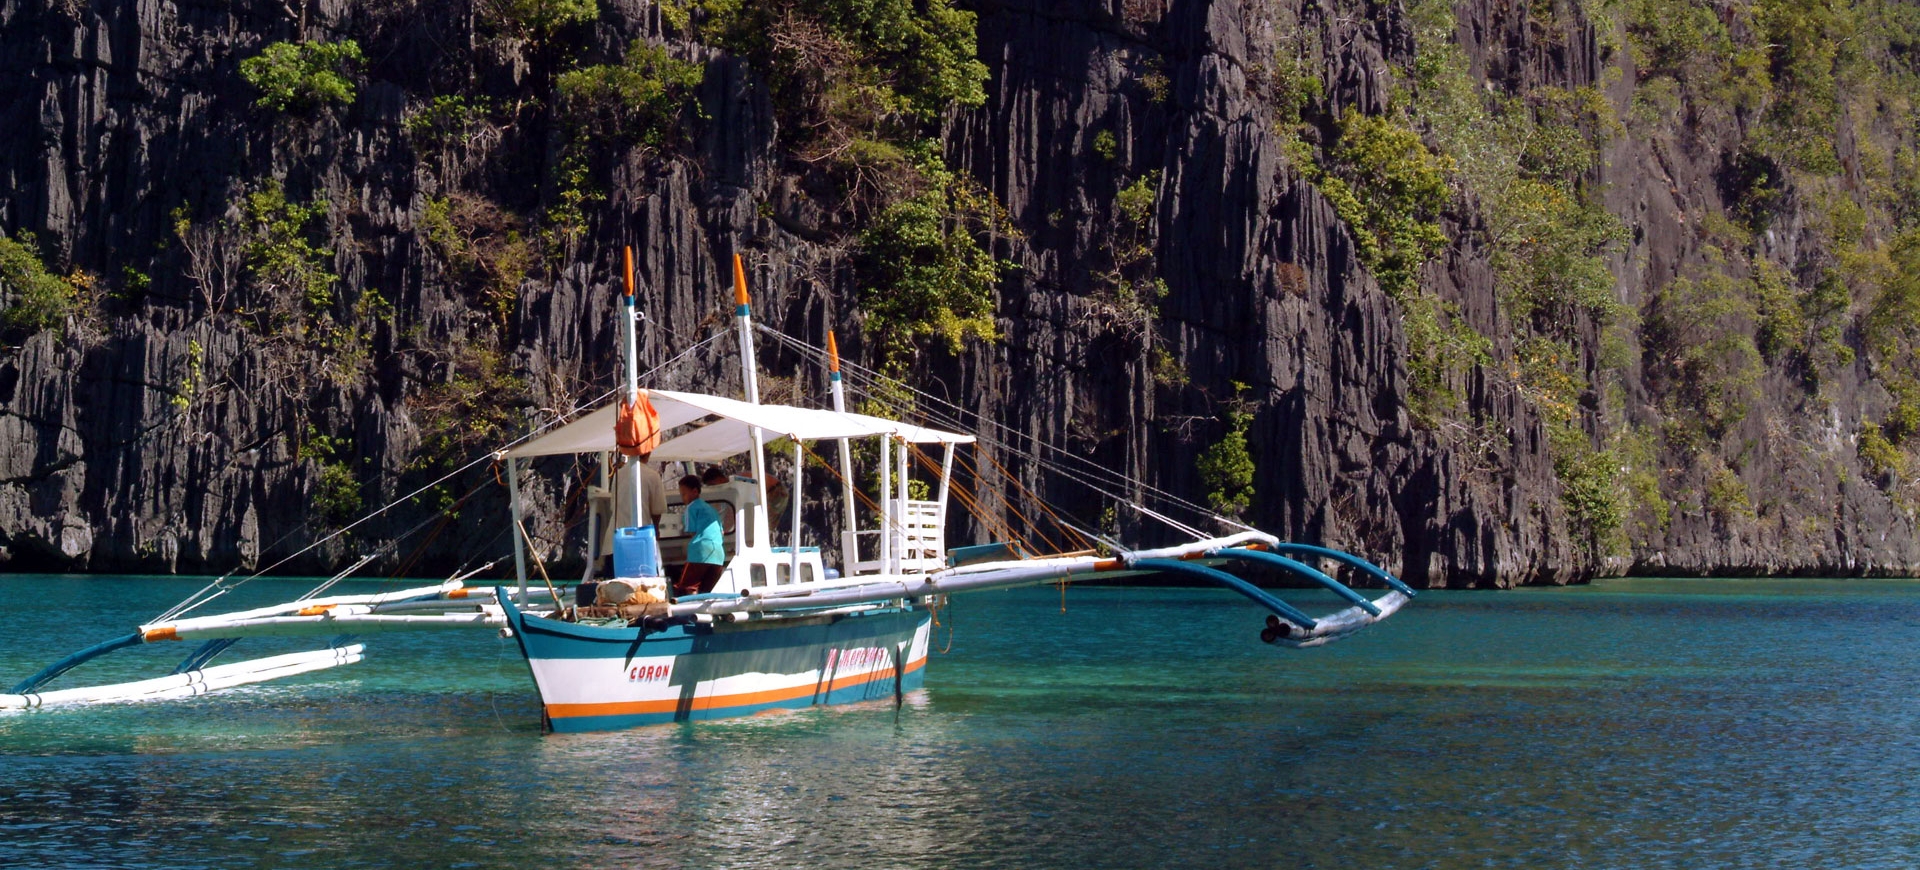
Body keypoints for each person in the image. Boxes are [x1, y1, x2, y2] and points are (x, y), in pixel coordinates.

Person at [674, 474, 726, 596]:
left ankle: (689, 613)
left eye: (684, 494)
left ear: (695, 491)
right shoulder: (710, 509)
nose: (683, 498)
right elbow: (721, 532)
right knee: (707, 591)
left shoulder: (691, 508)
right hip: (718, 553)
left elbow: (692, 531)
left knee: (687, 587)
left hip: (701, 551)